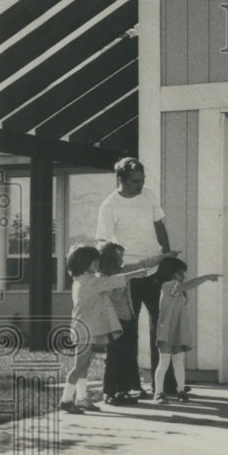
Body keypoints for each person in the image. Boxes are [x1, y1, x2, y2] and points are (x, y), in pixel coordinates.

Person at [95, 157, 178, 395]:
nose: (139, 185)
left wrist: (167, 260)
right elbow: (103, 243)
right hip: (128, 274)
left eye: (142, 180)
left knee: (161, 327)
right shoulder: (109, 205)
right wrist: (112, 275)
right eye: (134, 182)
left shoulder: (149, 195)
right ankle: (130, 385)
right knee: (128, 330)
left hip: (155, 269)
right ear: (120, 179)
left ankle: (164, 385)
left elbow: (159, 226)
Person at [59, 245, 158, 414]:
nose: (98, 264)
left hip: (84, 328)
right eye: (94, 262)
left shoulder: (84, 280)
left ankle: (81, 399)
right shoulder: (90, 282)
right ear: (84, 264)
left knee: (84, 366)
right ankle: (66, 400)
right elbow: (113, 280)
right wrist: (134, 274)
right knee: (79, 366)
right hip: (83, 330)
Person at [98, 242, 165, 406]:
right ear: (110, 259)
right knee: (114, 357)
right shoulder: (102, 278)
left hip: (128, 319)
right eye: (118, 256)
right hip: (114, 322)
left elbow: (142, 265)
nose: (122, 259)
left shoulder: (124, 270)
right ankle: (109, 392)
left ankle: (123, 390)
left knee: (126, 356)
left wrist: (164, 257)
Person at [152, 257, 220, 403]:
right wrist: (206, 277)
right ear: (173, 273)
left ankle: (181, 390)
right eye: (181, 273)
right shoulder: (169, 285)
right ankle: (158, 392)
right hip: (166, 328)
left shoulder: (180, 289)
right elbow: (186, 285)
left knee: (178, 361)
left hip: (178, 328)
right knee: (164, 361)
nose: (183, 276)